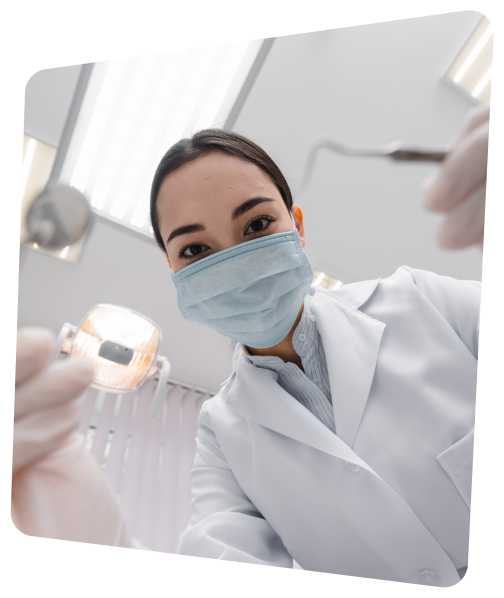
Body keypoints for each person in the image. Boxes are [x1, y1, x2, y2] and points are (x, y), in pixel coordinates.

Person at [11, 104, 489, 586]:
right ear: (176, 273)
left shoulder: (422, 301)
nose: (235, 261)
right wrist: (112, 560)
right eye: (195, 249)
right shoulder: (222, 436)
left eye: (257, 225)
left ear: (297, 227)